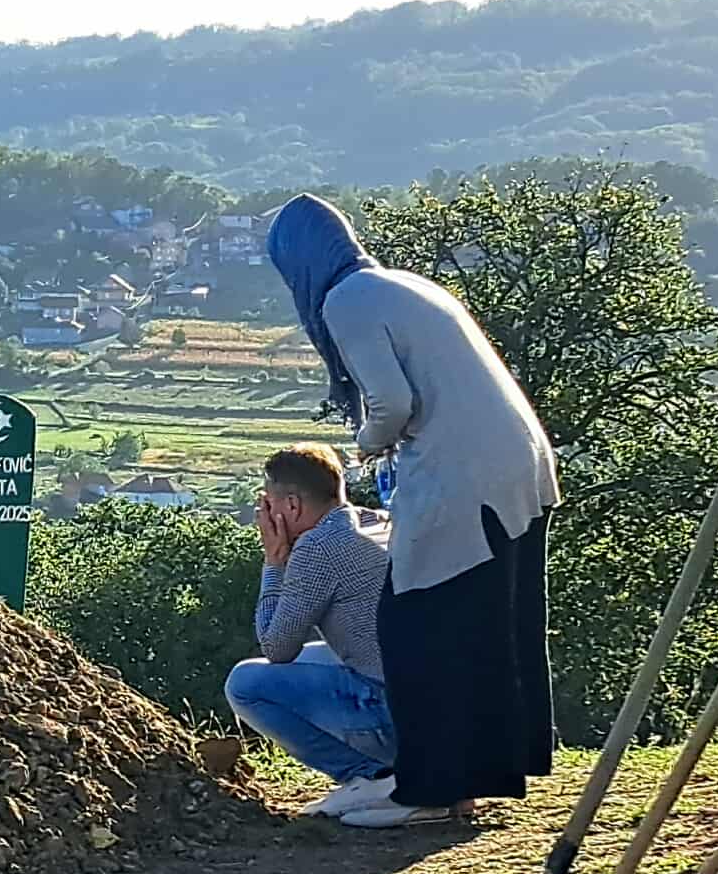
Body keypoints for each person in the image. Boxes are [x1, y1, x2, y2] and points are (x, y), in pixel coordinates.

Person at [267, 193, 560, 829]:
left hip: (461, 476)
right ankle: (463, 780)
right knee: (480, 628)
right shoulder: (402, 285)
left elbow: (392, 403)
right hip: (515, 466)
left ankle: (426, 789)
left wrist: (365, 446)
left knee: (419, 630)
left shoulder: (346, 301)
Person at [224, 443, 399, 819]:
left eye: (268, 503)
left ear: (292, 506)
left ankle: (370, 777)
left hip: (393, 712)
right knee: (319, 655)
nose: (264, 514)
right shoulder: (380, 522)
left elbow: (277, 647)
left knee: (246, 683)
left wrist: (274, 562)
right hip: (436, 704)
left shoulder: (319, 547)